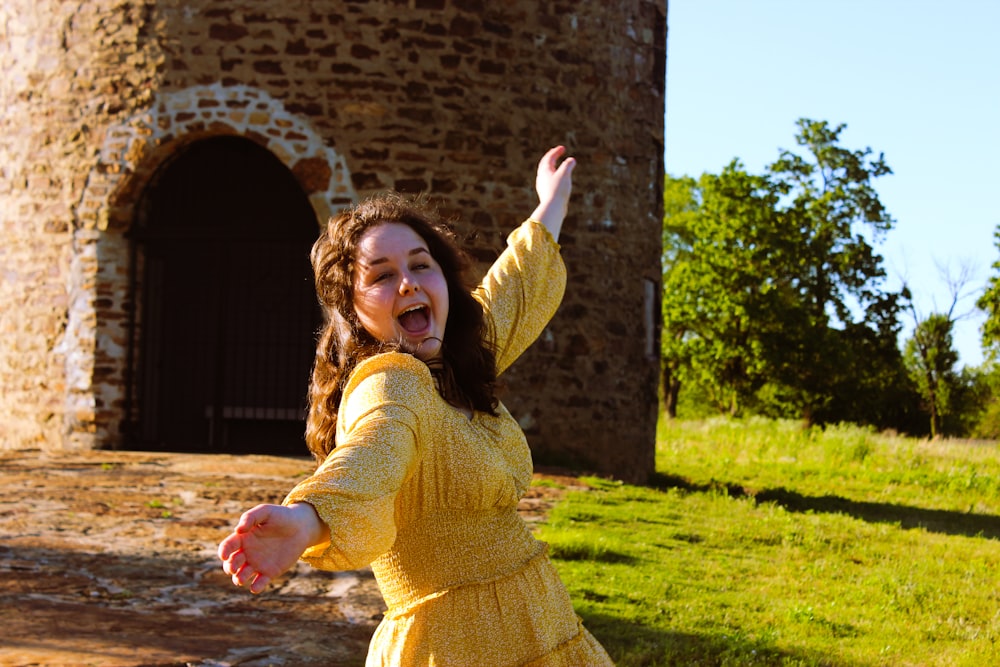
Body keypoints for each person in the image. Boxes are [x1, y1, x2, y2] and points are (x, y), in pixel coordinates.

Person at [218, 146, 614, 666]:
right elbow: (370, 454)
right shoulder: (390, 384)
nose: (407, 281)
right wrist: (307, 519)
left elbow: (514, 286)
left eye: (421, 265)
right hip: (451, 647)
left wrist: (552, 201)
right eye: (381, 276)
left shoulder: (458, 355)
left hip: (543, 625)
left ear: (444, 284)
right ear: (354, 312)